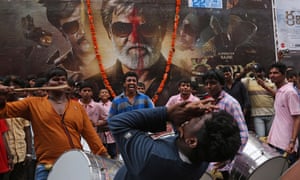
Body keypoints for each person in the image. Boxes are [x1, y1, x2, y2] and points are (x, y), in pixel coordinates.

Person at [0, 67, 108, 180]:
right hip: (47, 167)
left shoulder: (77, 107)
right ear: (47, 84)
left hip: (75, 165)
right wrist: (3, 97)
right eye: (56, 79)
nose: (60, 82)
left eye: (63, 79)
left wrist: (104, 157)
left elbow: (90, 135)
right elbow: (3, 112)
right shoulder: (33, 104)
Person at [87, 0, 191, 106]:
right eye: (122, 28)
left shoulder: (183, 79)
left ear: (162, 31)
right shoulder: (95, 84)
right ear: (109, 33)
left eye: (147, 28)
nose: (134, 38)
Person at [108, 101, 242, 180]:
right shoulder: (203, 157)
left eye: (200, 118)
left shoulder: (152, 157)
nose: (196, 115)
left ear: (192, 141)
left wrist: (166, 113)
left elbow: (118, 123)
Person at [202, 69, 248, 179]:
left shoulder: (230, 103)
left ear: (221, 84)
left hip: (224, 162)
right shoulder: (209, 102)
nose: (209, 86)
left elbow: (243, 133)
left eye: (213, 83)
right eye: (206, 84)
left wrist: (229, 156)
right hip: (211, 157)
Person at [40, 0, 98, 80]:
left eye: (87, 22)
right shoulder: (56, 71)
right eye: (71, 26)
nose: (82, 31)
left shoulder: (115, 62)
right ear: (63, 33)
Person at [267, 62, 300, 166]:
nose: (272, 75)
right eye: (270, 73)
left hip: (286, 144)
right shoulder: (280, 91)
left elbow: (297, 118)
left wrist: (292, 142)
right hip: (275, 142)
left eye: (276, 73)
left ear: (283, 74)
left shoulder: (290, 92)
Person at [2, 76, 33, 180]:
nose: (12, 89)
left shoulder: (23, 105)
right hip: (6, 156)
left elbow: (27, 130)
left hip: (21, 153)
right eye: (9, 86)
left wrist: (29, 153)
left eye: (15, 86)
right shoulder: (1, 106)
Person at [241, 63, 275, 137]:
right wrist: (245, 70)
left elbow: (276, 95)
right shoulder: (248, 81)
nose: (259, 73)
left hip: (271, 113)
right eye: (256, 71)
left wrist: (264, 85)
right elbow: (237, 80)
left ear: (264, 72)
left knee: (271, 138)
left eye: (260, 71)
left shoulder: (270, 82)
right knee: (261, 137)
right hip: (257, 115)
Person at [221, 66, 251, 130]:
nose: (226, 76)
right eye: (224, 75)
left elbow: (246, 100)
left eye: (227, 74)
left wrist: (242, 114)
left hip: (242, 115)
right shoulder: (222, 88)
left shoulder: (240, 85)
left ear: (231, 74)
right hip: (227, 118)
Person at [97, 88, 117, 159]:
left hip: (111, 134)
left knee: (113, 154)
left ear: (109, 95)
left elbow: (115, 118)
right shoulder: (96, 105)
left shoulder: (113, 105)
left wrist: (105, 121)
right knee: (101, 156)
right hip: (100, 134)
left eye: (106, 92)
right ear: (99, 95)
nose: (104, 94)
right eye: (102, 92)